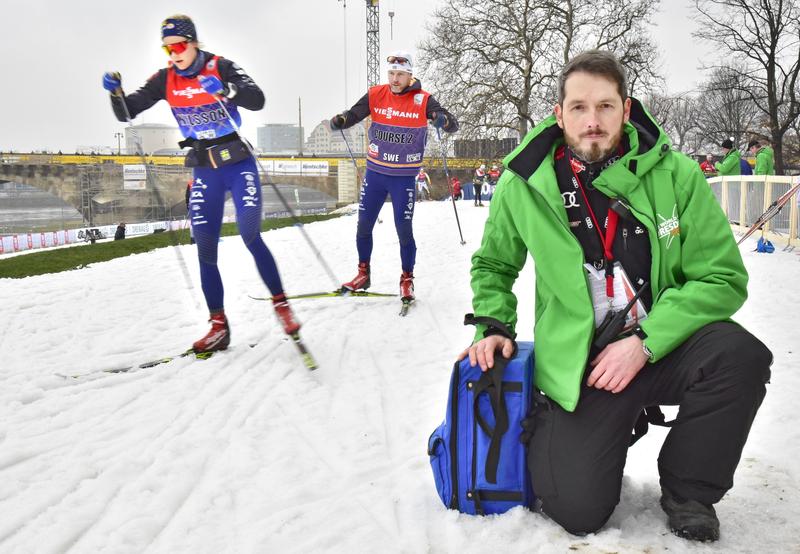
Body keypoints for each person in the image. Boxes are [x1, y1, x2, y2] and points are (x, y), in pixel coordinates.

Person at [461, 50, 771, 542]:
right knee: (578, 512)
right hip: (585, 365)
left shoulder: (678, 175)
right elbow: (494, 264)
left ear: (627, 110)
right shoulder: (522, 183)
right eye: (579, 108)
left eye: (605, 106)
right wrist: (493, 325)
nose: (593, 122)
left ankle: (689, 490)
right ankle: (575, 433)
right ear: (558, 113)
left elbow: (722, 278)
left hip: (662, 346)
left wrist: (646, 341)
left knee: (740, 355)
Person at [102, 14, 301, 352]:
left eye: (179, 45)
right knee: (206, 248)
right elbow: (127, 111)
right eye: (167, 48)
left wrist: (226, 89)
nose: (174, 53)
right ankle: (219, 326)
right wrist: (115, 92)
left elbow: (257, 99)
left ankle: (281, 305)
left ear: (194, 42)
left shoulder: (220, 66)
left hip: (238, 163)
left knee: (250, 232)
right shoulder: (165, 79)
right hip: (204, 167)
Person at [329, 50, 458, 301]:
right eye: (391, 74)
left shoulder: (423, 100)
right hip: (376, 173)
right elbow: (354, 114)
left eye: (400, 74)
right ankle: (363, 273)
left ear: (410, 76)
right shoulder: (376, 94)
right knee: (364, 225)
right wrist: (342, 120)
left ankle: (407, 278)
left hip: (403, 177)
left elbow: (452, 124)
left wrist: (442, 120)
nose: (394, 79)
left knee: (403, 228)